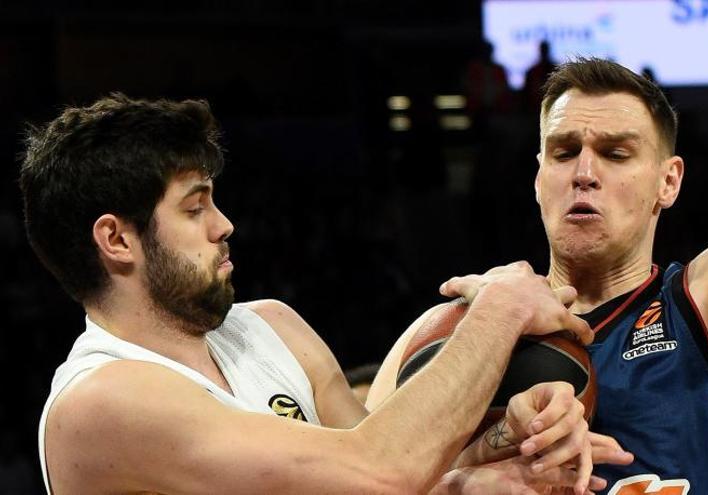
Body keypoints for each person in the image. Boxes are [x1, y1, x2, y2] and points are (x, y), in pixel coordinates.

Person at [370, 1, 708, 493]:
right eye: (565, 152)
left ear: (669, 181)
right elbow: (352, 477)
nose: (585, 174)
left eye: (615, 154)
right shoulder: (453, 330)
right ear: (538, 177)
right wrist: (468, 467)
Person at [23, 94, 613, 494]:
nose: (222, 224)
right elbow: (380, 471)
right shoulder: (100, 401)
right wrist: (499, 308)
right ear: (116, 239)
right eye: (194, 207)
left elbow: (392, 471)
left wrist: (507, 447)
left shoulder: (272, 327)